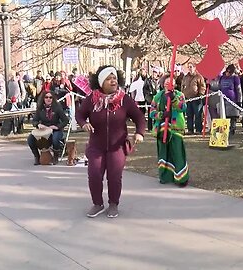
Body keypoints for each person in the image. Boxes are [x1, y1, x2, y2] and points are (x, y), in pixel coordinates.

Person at [76, 65, 145, 218]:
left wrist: (139, 133)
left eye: (114, 78)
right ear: (101, 82)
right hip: (96, 145)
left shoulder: (124, 99)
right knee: (94, 174)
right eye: (108, 78)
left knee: (114, 176)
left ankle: (113, 203)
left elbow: (139, 117)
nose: (113, 81)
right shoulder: (91, 100)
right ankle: (97, 204)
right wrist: (83, 123)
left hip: (117, 146)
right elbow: (79, 115)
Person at [150, 74, 189, 187]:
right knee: (164, 153)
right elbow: (152, 112)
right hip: (161, 130)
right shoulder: (157, 96)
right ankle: (165, 176)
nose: (168, 83)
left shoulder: (179, 95)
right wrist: (161, 115)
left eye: (170, 82)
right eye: (166, 82)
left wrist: (173, 99)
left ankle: (181, 178)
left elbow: (183, 107)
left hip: (176, 129)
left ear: (175, 84)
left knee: (177, 152)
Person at [27, 92, 69, 165]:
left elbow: (66, 120)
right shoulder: (40, 109)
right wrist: (38, 124)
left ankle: (55, 156)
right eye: (46, 97)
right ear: (43, 98)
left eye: (50, 97)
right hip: (43, 130)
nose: (48, 99)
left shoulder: (57, 108)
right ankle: (37, 156)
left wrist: (57, 127)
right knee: (30, 139)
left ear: (53, 98)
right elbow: (34, 121)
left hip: (55, 130)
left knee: (55, 138)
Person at [181, 62, 206, 135]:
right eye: (188, 67)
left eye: (191, 67)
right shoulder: (186, 77)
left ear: (194, 68)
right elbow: (183, 86)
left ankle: (198, 129)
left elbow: (202, 86)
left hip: (196, 98)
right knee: (189, 115)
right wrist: (182, 94)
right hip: (187, 99)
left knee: (198, 114)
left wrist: (200, 94)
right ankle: (190, 129)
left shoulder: (199, 77)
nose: (190, 68)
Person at [219, 64, 242, 135]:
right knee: (224, 115)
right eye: (227, 71)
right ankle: (225, 129)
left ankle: (232, 129)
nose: (228, 73)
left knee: (232, 116)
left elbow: (238, 90)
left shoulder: (235, 78)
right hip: (223, 99)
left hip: (232, 99)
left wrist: (239, 101)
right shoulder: (222, 78)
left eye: (230, 72)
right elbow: (219, 87)